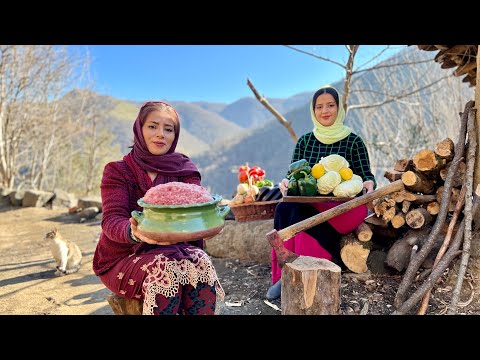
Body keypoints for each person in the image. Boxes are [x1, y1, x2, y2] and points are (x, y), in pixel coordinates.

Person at [93, 101, 224, 315]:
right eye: (152, 126)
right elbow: (111, 220)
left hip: (177, 251)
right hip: (124, 257)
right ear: (139, 129)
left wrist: (210, 219)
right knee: (165, 267)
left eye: (168, 129)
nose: (160, 134)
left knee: (201, 262)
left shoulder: (183, 169)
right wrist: (134, 232)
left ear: (175, 135)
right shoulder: (118, 171)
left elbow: (198, 206)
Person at [266, 85, 376, 300]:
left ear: (339, 108)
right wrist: (286, 184)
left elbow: (366, 175)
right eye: (319, 107)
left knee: (304, 214)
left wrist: (369, 184)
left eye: (330, 105)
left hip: (343, 206)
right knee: (286, 208)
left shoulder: (353, 141)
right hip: (311, 202)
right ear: (313, 111)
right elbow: (293, 175)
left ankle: (310, 271)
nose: (325, 111)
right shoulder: (305, 141)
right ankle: (286, 273)